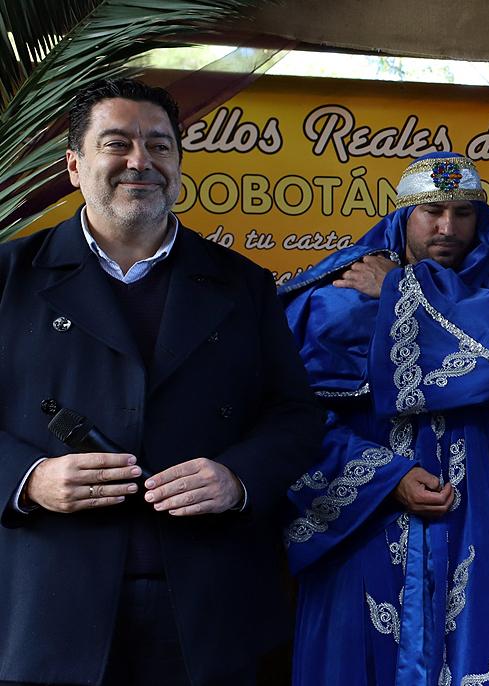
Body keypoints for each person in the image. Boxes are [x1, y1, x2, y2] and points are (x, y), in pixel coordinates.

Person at [0, 78, 323, 686]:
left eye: (159, 146)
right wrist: (28, 479)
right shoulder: (9, 278)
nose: (139, 162)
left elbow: (295, 415)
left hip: (210, 606)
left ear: (177, 165)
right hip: (43, 608)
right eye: (116, 143)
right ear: (74, 166)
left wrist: (239, 478)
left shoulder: (243, 283)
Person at [280, 152, 489, 686]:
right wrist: (386, 478)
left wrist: (400, 289)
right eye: (431, 211)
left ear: (483, 220)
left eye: (463, 212)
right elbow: (293, 413)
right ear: (402, 214)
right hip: (365, 517)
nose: (447, 226)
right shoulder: (334, 291)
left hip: (476, 512)